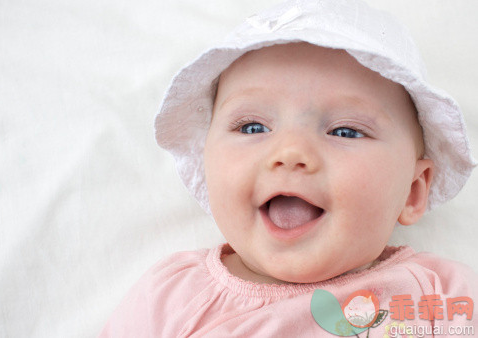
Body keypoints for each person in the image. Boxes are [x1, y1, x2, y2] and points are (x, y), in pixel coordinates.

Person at [101, 0, 477, 336]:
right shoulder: (172, 298)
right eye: (252, 127)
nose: (291, 151)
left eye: (345, 131)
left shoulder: (442, 297)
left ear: (412, 191)